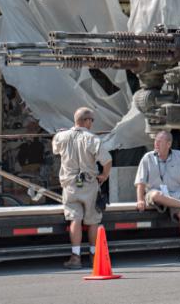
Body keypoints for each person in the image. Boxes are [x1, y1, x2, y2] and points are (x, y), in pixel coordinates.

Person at [52, 107, 112, 269]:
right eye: (91, 120)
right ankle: (94, 256)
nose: (92, 123)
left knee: (74, 219)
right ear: (85, 121)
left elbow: (55, 150)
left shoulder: (61, 136)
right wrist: (104, 176)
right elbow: (107, 160)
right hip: (89, 184)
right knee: (93, 220)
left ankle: (76, 257)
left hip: (70, 185)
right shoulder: (92, 139)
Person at [135, 131, 180, 263]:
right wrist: (139, 200)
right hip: (155, 195)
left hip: (175, 195)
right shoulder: (148, 157)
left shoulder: (179, 156)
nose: (156, 143)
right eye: (155, 141)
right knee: (157, 194)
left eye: (159, 141)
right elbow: (140, 182)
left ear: (168, 144)